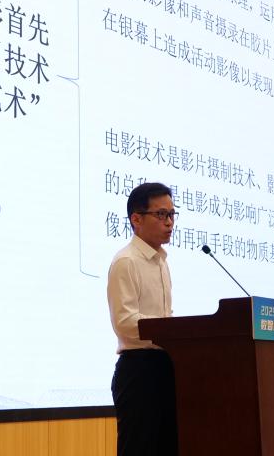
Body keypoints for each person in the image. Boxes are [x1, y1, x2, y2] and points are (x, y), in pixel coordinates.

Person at [107, 182, 179, 456]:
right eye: (161, 215)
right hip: (139, 371)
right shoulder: (126, 261)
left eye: (172, 214)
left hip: (165, 367)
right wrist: (170, 332)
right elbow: (125, 322)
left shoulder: (161, 262)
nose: (169, 222)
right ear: (136, 219)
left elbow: (164, 316)